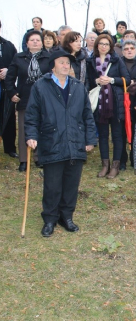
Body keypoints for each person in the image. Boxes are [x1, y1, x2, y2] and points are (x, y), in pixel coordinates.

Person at [24, 51, 96, 237]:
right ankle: (49, 219)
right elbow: (32, 115)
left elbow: (87, 115)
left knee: (71, 184)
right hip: (52, 142)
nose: (66, 65)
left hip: (75, 142)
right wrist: (31, 135)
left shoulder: (78, 87)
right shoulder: (41, 86)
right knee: (52, 185)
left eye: (68, 63)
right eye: (62, 62)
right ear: (53, 66)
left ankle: (67, 217)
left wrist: (89, 139)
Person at [5, 31, 51, 171]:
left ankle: (39, 158)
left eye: (38, 40)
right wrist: (12, 93)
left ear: (42, 43)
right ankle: (24, 160)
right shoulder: (19, 58)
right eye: (32, 40)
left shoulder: (48, 57)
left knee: (42, 128)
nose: (35, 42)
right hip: (24, 97)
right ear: (27, 43)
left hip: (44, 98)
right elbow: (10, 77)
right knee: (25, 129)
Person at [86, 33, 130, 179]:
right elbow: (87, 82)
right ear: (97, 45)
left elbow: (127, 80)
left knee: (117, 136)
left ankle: (115, 166)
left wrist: (111, 80)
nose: (104, 46)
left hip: (115, 103)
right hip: (99, 104)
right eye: (101, 44)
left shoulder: (117, 60)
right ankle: (105, 165)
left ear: (110, 46)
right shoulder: (90, 61)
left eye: (106, 44)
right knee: (103, 136)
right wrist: (97, 81)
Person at [120, 40, 136, 170]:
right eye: (126, 48)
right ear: (123, 51)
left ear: (135, 50)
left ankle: (135, 159)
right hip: (122, 103)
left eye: (132, 48)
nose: (129, 50)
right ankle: (122, 160)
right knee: (122, 133)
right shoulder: (118, 63)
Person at [0, 19, 18, 158]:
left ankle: (10, 147)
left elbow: (15, 63)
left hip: (6, 87)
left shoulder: (8, 45)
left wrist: (8, 71)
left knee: (9, 117)